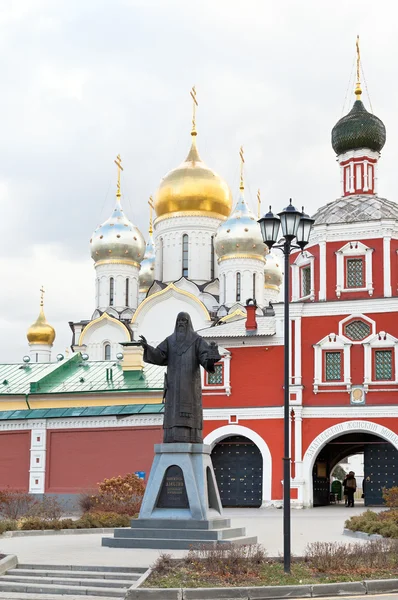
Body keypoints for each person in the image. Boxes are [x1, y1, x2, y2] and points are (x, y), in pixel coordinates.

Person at [139, 312, 221, 444]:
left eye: (184, 320)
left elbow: (206, 359)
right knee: (172, 411)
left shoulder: (196, 340)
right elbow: (160, 355)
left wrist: (211, 358)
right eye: (179, 320)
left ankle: (192, 436)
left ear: (189, 323)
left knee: (190, 411)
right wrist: (147, 347)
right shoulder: (170, 341)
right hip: (173, 385)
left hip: (190, 385)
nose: (181, 323)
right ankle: (171, 435)